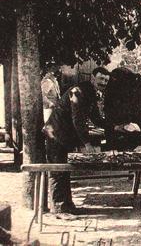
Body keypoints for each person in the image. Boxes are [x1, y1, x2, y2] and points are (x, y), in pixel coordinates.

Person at [43, 67, 111, 214]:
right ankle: (60, 209)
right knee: (57, 171)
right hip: (55, 134)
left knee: (65, 172)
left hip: (64, 136)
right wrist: (87, 143)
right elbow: (78, 120)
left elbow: (96, 118)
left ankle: (67, 205)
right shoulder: (78, 92)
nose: (103, 83)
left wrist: (115, 127)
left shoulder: (91, 94)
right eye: (101, 79)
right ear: (93, 78)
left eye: (106, 80)